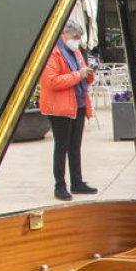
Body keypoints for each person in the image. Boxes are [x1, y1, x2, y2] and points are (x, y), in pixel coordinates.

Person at [39, 20, 97, 202]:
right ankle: (60, 186)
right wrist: (78, 75)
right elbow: (52, 81)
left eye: (79, 38)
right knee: (61, 146)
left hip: (78, 103)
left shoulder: (75, 51)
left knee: (75, 146)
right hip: (60, 107)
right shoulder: (52, 53)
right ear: (64, 34)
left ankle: (77, 182)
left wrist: (88, 72)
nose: (77, 41)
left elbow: (81, 73)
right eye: (75, 37)